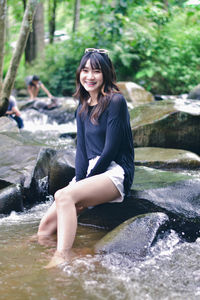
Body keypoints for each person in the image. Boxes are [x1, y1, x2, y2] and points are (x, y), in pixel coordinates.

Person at [37, 48, 135, 267]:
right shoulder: (81, 108)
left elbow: (111, 149)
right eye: (85, 70)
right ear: (79, 73)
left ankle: (63, 256)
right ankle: (81, 254)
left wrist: (84, 185)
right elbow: (81, 150)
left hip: (115, 170)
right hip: (92, 169)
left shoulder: (115, 102)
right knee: (44, 231)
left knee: (64, 196)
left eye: (96, 71)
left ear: (106, 74)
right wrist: (80, 182)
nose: (89, 77)